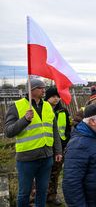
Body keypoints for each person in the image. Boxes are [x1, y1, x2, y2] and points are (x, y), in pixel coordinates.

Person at [4, 78, 62, 207]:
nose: (44, 90)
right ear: (31, 90)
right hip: (26, 159)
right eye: (41, 87)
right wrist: (25, 119)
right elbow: (8, 132)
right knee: (24, 193)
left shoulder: (48, 106)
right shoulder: (16, 106)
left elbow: (54, 131)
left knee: (42, 191)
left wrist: (58, 150)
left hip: (46, 157)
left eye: (44, 87)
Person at [44, 87, 72, 205]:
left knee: (55, 173)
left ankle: (52, 196)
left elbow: (67, 128)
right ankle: (38, 197)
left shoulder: (63, 111)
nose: (56, 99)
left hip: (60, 147)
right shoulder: (42, 110)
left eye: (57, 96)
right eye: (53, 96)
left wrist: (65, 142)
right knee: (44, 174)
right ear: (47, 97)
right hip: (46, 147)